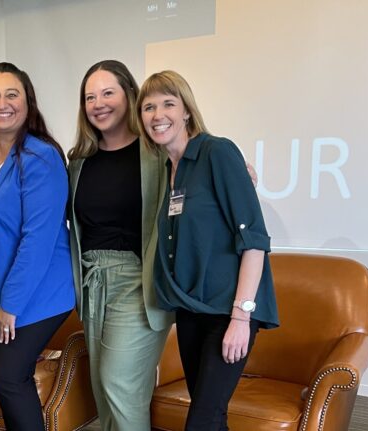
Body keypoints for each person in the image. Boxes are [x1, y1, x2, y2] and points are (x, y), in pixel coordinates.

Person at [135, 70, 279, 430]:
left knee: (198, 421)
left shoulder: (217, 152)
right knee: (211, 414)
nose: (158, 114)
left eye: (168, 103)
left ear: (186, 111)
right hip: (191, 310)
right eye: (149, 107)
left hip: (228, 311)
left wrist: (241, 318)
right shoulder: (169, 170)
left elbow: (255, 241)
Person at [0, 62, 76, 431]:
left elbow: (37, 240)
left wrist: (11, 304)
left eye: (12, 95)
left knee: (8, 377)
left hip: (35, 294)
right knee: (10, 380)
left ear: (28, 103)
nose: (2, 103)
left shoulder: (41, 156)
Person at [66, 60, 172, 430]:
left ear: (130, 94)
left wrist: (238, 165)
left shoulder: (157, 154)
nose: (99, 103)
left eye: (108, 93)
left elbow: (201, 157)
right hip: (93, 283)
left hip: (138, 282)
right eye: (90, 97)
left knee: (119, 383)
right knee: (104, 391)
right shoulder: (78, 162)